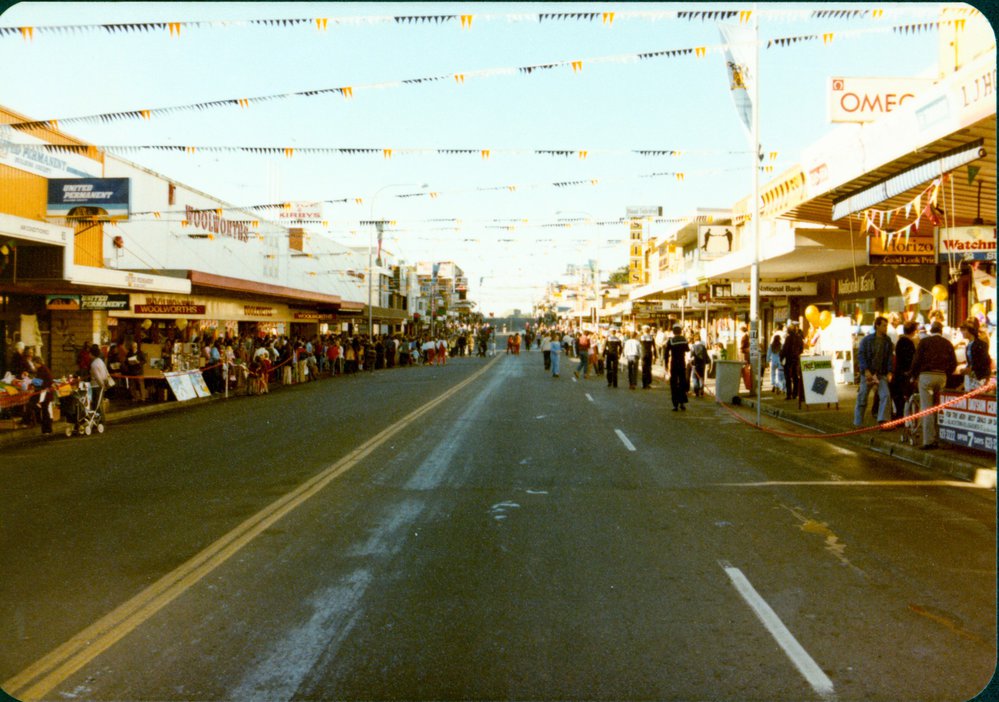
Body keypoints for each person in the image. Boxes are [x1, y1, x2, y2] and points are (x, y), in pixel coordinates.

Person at [909, 321, 957, 450]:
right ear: (941, 331)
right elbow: (954, 363)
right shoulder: (948, 343)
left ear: (931, 330)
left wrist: (913, 375)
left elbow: (916, 360)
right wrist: (946, 373)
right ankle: (939, 438)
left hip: (926, 376)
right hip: (941, 376)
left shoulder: (924, 342)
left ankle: (928, 440)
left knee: (927, 408)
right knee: (938, 408)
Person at [854, 316, 894, 427]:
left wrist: (890, 371)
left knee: (885, 395)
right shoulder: (867, 340)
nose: (886, 328)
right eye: (884, 325)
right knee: (862, 398)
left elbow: (889, 357)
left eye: (886, 325)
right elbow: (861, 356)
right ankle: (858, 422)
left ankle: (883, 420)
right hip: (868, 373)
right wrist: (865, 370)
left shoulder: (887, 341)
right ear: (877, 326)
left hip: (880, 373)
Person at [889, 321, 919, 419]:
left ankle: (899, 415)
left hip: (899, 372)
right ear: (913, 331)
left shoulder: (900, 341)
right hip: (904, 373)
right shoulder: (908, 342)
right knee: (904, 395)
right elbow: (910, 359)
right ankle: (902, 416)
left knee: (898, 395)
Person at [960, 317, 992, 390]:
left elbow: (984, 361)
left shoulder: (981, 344)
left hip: (979, 377)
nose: (962, 333)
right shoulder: (968, 346)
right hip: (970, 377)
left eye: (964, 330)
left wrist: (971, 369)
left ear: (970, 331)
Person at [665, 325, 690, 410]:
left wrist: (666, 365)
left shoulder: (671, 340)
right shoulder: (684, 340)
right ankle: (682, 403)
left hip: (674, 363)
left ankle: (675, 404)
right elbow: (687, 349)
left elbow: (666, 353)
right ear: (680, 331)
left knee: (674, 383)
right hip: (682, 363)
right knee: (682, 382)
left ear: (673, 332)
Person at [780, 321, 804, 401]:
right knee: (795, 377)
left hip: (789, 359)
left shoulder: (788, 338)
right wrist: (797, 354)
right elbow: (801, 349)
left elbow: (785, 349)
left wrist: (781, 357)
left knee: (788, 377)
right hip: (796, 359)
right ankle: (795, 393)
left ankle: (789, 394)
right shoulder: (799, 337)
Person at [32, 356, 54, 434]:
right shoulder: (43, 369)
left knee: (45, 410)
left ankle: (47, 429)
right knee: (45, 410)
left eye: (34, 364)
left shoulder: (42, 370)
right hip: (45, 393)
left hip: (45, 393)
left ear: (38, 363)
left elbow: (41, 382)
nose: (34, 366)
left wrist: (33, 381)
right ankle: (46, 428)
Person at [768, 326, 785, 394]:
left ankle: (774, 385)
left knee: (773, 374)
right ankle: (780, 387)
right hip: (779, 361)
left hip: (773, 361)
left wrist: (768, 360)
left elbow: (768, 353)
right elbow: (783, 353)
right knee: (780, 374)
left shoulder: (771, 345)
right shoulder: (781, 345)